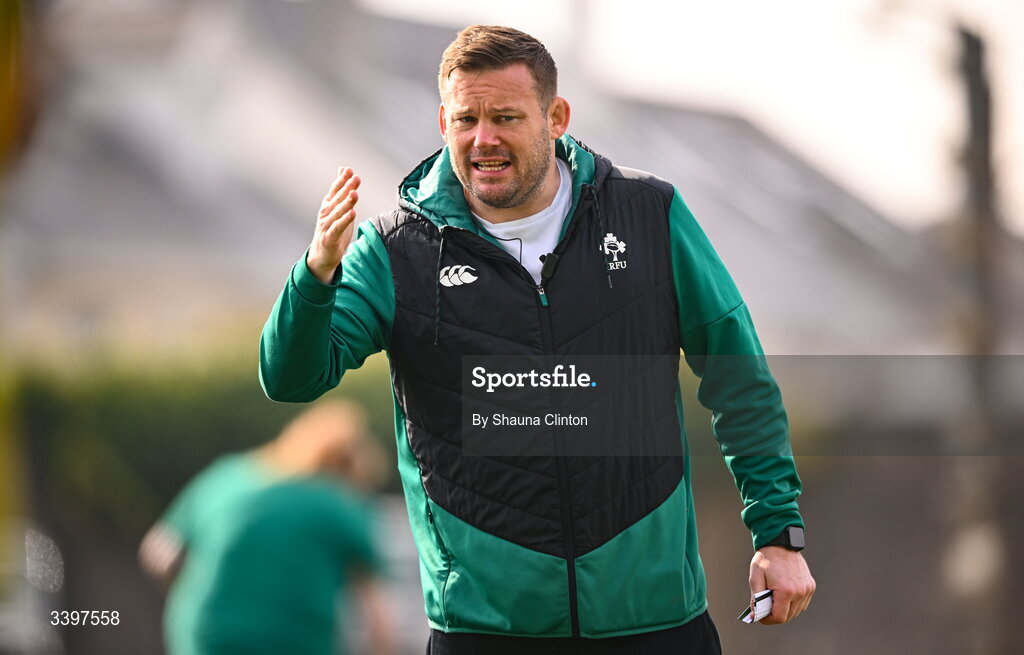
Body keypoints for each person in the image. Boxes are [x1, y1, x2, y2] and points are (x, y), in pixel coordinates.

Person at [260, 25, 815, 654]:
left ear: (556, 118)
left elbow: (738, 377)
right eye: (466, 119)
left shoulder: (649, 214)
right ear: (443, 122)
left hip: (655, 620)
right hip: (483, 631)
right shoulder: (393, 251)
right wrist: (316, 275)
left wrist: (778, 533)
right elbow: (290, 378)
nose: (484, 139)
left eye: (505, 117)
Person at [139, 400, 393, 655]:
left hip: (203, 637)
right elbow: (378, 618)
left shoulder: (226, 476)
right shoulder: (339, 501)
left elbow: (159, 554)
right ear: (350, 468)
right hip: (290, 643)